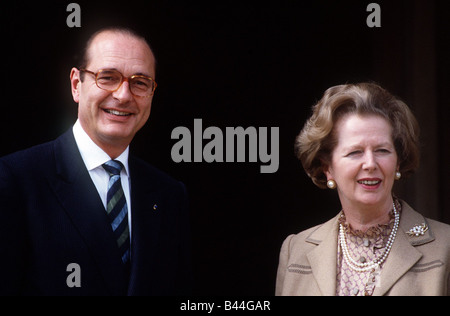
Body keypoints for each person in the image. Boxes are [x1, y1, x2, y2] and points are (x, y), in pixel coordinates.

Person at [0, 27, 192, 295]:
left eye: (139, 82)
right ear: (76, 85)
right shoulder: (14, 180)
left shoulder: (169, 194)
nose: (123, 95)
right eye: (108, 77)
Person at [276, 82, 450, 296]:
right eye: (355, 152)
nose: (370, 163)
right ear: (327, 168)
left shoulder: (445, 246)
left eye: (382, 150)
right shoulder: (297, 250)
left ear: (397, 162)